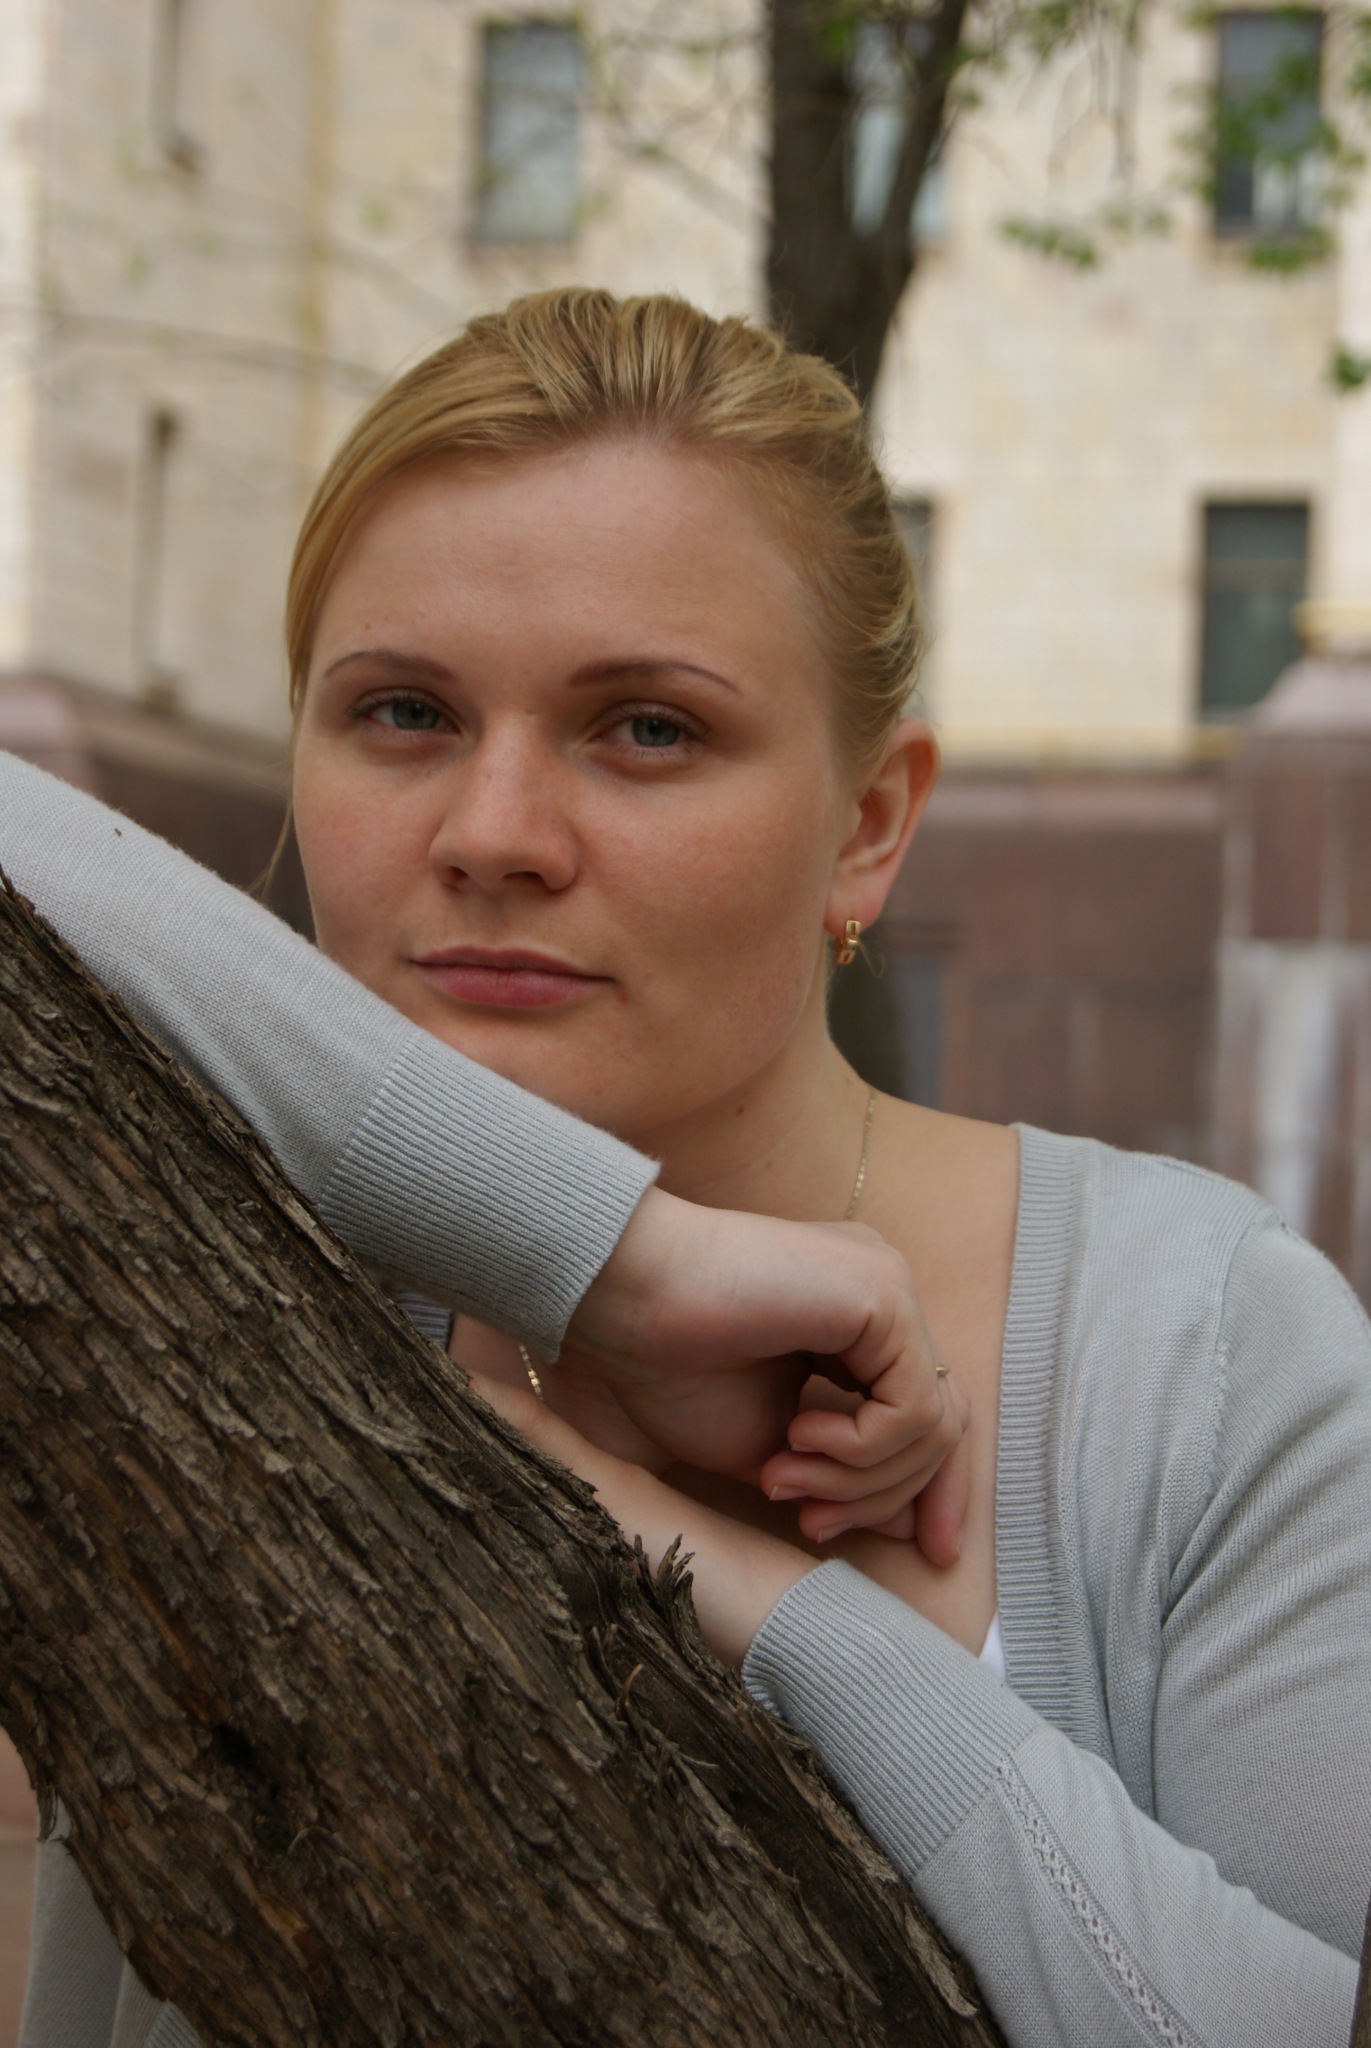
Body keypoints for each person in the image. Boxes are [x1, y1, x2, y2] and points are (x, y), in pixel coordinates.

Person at [8, 281, 1370, 2048]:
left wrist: (766, 1608)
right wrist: (623, 1261)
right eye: (404, 714)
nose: (494, 834)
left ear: (868, 827)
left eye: (647, 727)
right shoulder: (193, 1262)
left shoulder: (1207, 1351)